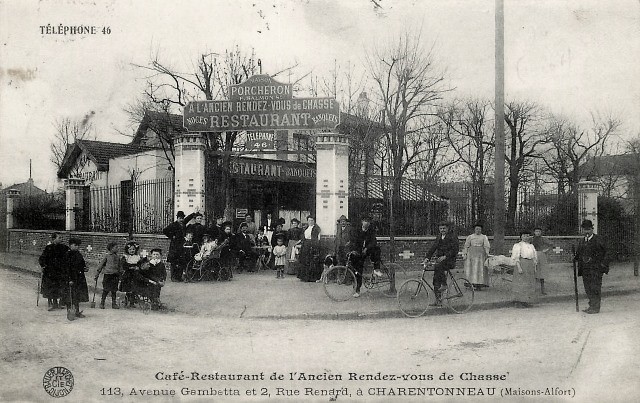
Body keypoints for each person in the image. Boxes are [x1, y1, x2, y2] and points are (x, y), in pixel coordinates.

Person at [574, 219, 608, 314]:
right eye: (585, 230)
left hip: (596, 269)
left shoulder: (599, 239)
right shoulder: (582, 241)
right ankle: (591, 305)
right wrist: (574, 258)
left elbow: (607, 253)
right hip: (585, 269)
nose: (587, 232)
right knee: (588, 288)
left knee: (595, 288)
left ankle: (596, 307)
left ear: (592, 229)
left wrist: (603, 265)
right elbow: (578, 254)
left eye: (588, 229)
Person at [423, 222, 459, 306]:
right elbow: (433, 247)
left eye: (444, 228)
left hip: (449, 260)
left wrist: (445, 256)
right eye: (440, 229)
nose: (442, 230)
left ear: (448, 228)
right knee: (435, 279)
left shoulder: (452, 236)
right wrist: (427, 258)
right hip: (440, 261)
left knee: (438, 266)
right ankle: (438, 300)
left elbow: (455, 250)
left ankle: (444, 284)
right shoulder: (439, 236)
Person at [350, 217, 382, 297]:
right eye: (365, 221)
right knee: (357, 270)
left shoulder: (371, 231)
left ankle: (376, 269)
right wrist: (354, 250)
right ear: (362, 222)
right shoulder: (357, 231)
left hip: (367, 251)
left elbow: (373, 241)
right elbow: (353, 241)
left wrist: (367, 248)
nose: (366, 223)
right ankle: (357, 289)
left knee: (376, 250)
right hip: (359, 251)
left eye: (368, 222)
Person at [39, 233, 69, 311]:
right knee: (50, 286)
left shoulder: (64, 248)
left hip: (60, 271)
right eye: (59, 238)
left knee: (59, 286)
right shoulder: (48, 248)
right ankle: (50, 302)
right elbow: (42, 258)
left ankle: (58, 302)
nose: (61, 239)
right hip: (50, 271)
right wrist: (43, 265)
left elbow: (69, 256)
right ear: (53, 239)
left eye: (61, 237)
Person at [510, 230, 539, 308]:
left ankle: (526, 301)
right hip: (522, 264)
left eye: (527, 236)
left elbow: (534, 257)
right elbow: (516, 257)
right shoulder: (518, 245)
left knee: (529, 283)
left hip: (530, 265)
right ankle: (518, 302)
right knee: (521, 283)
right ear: (521, 237)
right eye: (524, 236)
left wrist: (534, 266)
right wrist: (519, 267)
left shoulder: (531, 246)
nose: (526, 237)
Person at [64, 238, 90, 318]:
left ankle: (77, 311)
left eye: (78, 245)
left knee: (77, 296)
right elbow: (66, 269)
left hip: (79, 278)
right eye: (75, 245)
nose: (77, 247)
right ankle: (69, 312)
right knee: (70, 296)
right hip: (71, 278)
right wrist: (69, 279)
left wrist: (85, 268)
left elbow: (81, 265)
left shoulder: (78, 254)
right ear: (70, 245)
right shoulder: (67, 255)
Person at [462, 223, 491, 289]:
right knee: (471, 268)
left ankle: (479, 284)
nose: (478, 230)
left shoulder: (484, 237)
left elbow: (486, 246)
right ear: (474, 230)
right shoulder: (470, 237)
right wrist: (465, 254)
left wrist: (487, 253)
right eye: (477, 229)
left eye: (479, 229)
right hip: (471, 254)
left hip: (480, 254)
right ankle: (470, 283)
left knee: (479, 268)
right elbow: (466, 246)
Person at [95, 242, 121, 309]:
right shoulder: (107, 256)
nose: (118, 249)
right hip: (108, 275)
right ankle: (102, 303)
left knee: (114, 290)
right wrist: (97, 274)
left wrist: (120, 273)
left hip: (115, 275)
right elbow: (101, 265)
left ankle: (114, 304)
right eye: (116, 247)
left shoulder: (118, 257)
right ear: (111, 249)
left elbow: (119, 266)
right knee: (106, 289)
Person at [119, 241, 145, 307]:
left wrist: (138, 267)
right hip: (128, 274)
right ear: (127, 250)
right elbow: (123, 265)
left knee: (134, 288)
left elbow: (140, 264)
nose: (132, 250)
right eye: (130, 249)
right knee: (128, 288)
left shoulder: (138, 257)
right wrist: (129, 267)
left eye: (133, 249)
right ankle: (126, 300)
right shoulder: (126, 257)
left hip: (135, 274)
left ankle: (132, 302)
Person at [297, 216, 322, 282]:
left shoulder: (316, 228)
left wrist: (313, 246)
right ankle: (304, 277)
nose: (310, 222)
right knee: (304, 261)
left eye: (312, 220)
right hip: (305, 245)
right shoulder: (306, 228)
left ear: (314, 221)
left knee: (311, 261)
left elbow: (317, 239)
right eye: (309, 220)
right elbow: (304, 237)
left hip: (312, 246)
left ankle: (311, 278)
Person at [163, 211, 186, 282]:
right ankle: (173, 277)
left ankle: (179, 277)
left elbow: (188, 219)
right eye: (180, 218)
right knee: (174, 262)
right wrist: (172, 236)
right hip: (175, 246)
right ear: (177, 218)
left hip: (181, 245)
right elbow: (165, 230)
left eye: (182, 218)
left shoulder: (183, 224)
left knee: (181, 261)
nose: (181, 220)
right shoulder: (173, 225)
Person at [531, 227, 553, 295]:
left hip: (541, 255)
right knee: (533, 272)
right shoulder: (531, 239)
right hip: (533, 255)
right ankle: (532, 289)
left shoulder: (543, 239)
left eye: (539, 231)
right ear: (534, 232)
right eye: (536, 231)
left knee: (541, 273)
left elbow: (551, 244)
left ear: (541, 232)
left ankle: (542, 290)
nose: (537, 233)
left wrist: (546, 250)